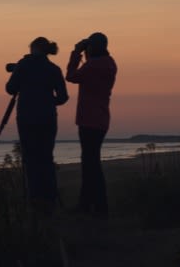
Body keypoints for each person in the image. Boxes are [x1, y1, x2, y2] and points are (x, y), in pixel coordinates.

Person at [5, 36, 69, 212]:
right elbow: (63, 97)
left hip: (26, 117)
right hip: (48, 117)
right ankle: (50, 200)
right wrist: (48, 101)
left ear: (34, 48)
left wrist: (19, 73)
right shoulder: (54, 69)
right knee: (46, 158)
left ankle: (34, 200)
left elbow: (10, 89)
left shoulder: (24, 65)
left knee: (30, 158)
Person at [66, 31, 117, 218]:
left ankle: (95, 205)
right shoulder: (109, 63)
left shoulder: (93, 65)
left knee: (90, 164)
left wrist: (76, 53)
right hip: (101, 119)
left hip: (89, 119)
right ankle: (91, 204)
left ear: (93, 47)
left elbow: (71, 76)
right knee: (91, 162)